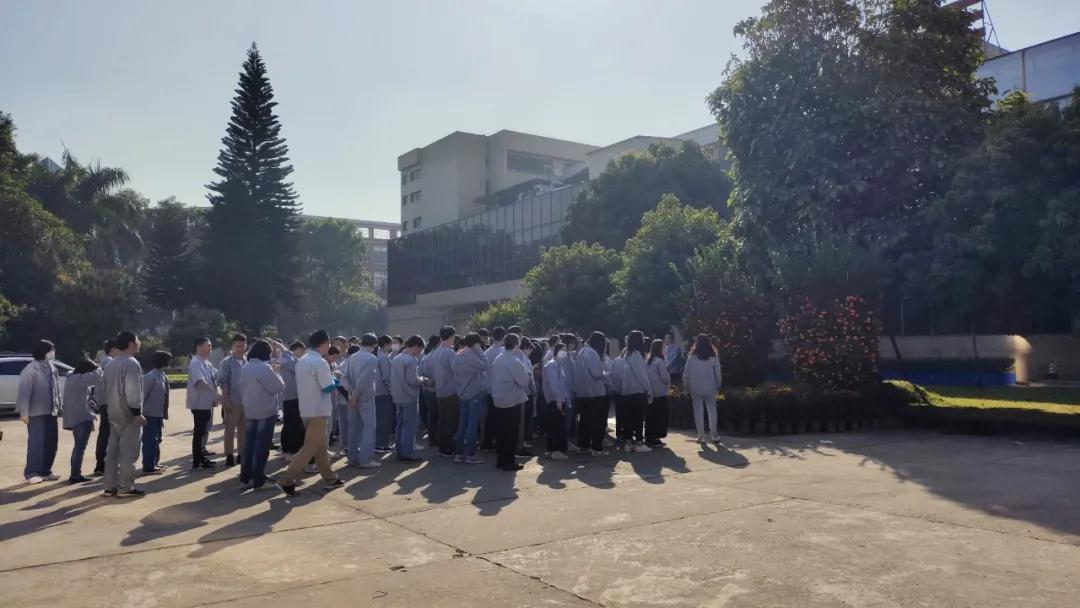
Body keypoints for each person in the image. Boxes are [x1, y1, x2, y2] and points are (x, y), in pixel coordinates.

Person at [277, 330, 344, 495]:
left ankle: (330, 478)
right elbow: (328, 387)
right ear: (324, 343)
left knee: (320, 447)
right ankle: (287, 479)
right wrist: (336, 377)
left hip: (306, 409)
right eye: (328, 343)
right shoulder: (319, 362)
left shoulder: (303, 360)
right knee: (311, 447)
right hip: (318, 410)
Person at [102, 331, 147, 497]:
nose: (139, 343)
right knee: (129, 453)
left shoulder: (111, 364)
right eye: (137, 341)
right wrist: (137, 413)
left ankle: (110, 486)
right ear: (130, 344)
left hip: (113, 412)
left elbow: (103, 389)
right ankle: (125, 487)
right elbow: (132, 390)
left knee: (112, 452)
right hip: (128, 414)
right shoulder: (131, 363)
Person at [239, 339, 285, 490]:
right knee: (261, 446)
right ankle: (259, 480)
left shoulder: (246, 366)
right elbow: (279, 387)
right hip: (264, 410)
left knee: (249, 445)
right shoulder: (263, 368)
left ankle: (246, 478)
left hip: (250, 409)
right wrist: (277, 373)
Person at [18, 340, 62, 484]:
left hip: (51, 411)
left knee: (51, 443)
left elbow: (57, 390)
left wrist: (59, 406)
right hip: (35, 413)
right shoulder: (30, 370)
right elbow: (24, 393)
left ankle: (45, 471)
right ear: (43, 352)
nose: (53, 353)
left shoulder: (52, 367)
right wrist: (24, 412)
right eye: (51, 350)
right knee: (36, 444)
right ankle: (31, 472)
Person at [490, 334, 529, 471]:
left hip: (498, 399)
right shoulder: (514, 360)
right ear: (517, 345)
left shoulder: (499, 358)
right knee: (511, 433)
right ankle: (509, 461)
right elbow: (524, 381)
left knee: (501, 432)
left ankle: (501, 460)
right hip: (511, 400)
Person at [340, 334, 380, 468]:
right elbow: (364, 380)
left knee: (353, 428)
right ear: (373, 345)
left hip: (352, 397)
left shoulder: (351, 357)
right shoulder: (371, 358)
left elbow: (344, 377)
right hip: (365, 398)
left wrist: (351, 393)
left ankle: (352, 458)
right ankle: (366, 460)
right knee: (369, 427)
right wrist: (356, 395)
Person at [452, 333, 490, 464]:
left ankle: (459, 454)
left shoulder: (458, 355)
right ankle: (471, 455)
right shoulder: (471, 356)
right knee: (472, 426)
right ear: (476, 343)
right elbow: (486, 365)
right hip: (474, 394)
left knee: (462, 425)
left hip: (462, 393)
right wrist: (479, 350)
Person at [62, 360, 101, 483]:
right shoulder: (80, 379)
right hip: (81, 418)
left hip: (76, 418)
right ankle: (75, 475)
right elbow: (98, 376)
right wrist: (99, 367)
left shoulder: (71, 378)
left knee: (78, 447)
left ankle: (75, 474)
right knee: (79, 448)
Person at [574, 331, 610, 456]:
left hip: (582, 393)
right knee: (598, 422)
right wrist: (606, 373)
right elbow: (597, 373)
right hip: (595, 393)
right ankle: (597, 447)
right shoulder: (593, 353)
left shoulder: (582, 351)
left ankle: (583, 446)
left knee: (585, 422)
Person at [683, 334, 723, 443]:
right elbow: (718, 375)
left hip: (695, 388)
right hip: (710, 388)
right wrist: (718, 386)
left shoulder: (691, 358)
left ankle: (701, 436)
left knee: (698, 412)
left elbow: (685, 374)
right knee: (712, 411)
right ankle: (713, 435)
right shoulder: (713, 358)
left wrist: (686, 387)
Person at [217, 333, 248, 468]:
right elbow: (222, 381)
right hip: (232, 401)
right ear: (233, 346)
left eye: (242, 345)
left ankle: (241, 454)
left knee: (243, 429)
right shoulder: (227, 362)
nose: (240, 348)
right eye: (237, 346)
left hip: (246, 401)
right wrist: (225, 399)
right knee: (230, 429)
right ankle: (229, 455)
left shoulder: (248, 361)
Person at [391, 335, 424, 462]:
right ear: (415, 346)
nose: (420, 352)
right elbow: (412, 380)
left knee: (400, 424)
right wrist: (421, 380)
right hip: (409, 395)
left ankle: (400, 450)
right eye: (420, 349)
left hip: (398, 395)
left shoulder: (397, 358)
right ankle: (407, 452)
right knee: (409, 425)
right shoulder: (411, 360)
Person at [187, 337, 218, 469]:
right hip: (199, 403)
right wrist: (216, 394)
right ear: (199, 347)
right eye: (208, 346)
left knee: (202, 431)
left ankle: (200, 458)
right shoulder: (195, 363)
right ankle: (197, 460)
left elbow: (217, 376)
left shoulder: (206, 362)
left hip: (206, 403)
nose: (210, 348)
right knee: (199, 432)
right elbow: (200, 382)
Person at [430, 325, 460, 457]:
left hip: (440, 391)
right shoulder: (449, 352)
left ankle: (443, 448)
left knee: (442, 421)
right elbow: (457, 370)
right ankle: (448, 448)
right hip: (451, 391)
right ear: (452, 336)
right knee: (450, 422)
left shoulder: (437, 351)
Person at [141, 350, 172, 474]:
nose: (170, 362)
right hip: (149, 414)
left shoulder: (162, 375)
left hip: (158, 414)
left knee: (157, 439)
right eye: (168, 359)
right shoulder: (150, 377)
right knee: (150, 440)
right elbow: (142, 397)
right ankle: (148, 466)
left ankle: (155, 462)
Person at [622, 331, 653, 453]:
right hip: (637, 391)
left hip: (628, 392)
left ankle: (628, 443)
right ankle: (639, 443)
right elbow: (641, 374)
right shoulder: (636, 355)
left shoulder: (627, 354)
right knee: (638, 419)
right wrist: (648, 389)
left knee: (629, 419)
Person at [93, 339, 119, 475]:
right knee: (108, 433)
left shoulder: (103, 362)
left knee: (105, 433)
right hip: (109, 402)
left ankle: (101, 464)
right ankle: (102, 464)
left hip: (104, 402)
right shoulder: (109, 362)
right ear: (113, 349)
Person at [276, 340, 306, 460]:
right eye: (302, 350)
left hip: (286, 398)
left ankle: (286, 450)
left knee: (288, 424)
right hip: (293, 397)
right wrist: (284, 350)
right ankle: (292, 451)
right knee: (295, 425)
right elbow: (294, 363)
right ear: (297, 349)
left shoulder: (283, 361)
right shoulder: (290, 361)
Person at [479, 326, 506, 452]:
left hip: (489, 389)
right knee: (502, 418)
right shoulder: (504, 352)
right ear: (504, 337)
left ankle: (487, 443)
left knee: (490, 417)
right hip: (502, 389)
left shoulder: (487, 352)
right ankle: (499, 442)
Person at [542, 342, 570, 460]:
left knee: (556, 426)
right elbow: (553, 384)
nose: (565, 352)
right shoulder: (552, 365)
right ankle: (555, 451)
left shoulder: (559, 364)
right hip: (554, 400)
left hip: (558, 399)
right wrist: (558, 399)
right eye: (563, 350)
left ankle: (552, 450)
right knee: (556, 427)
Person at [645, 339, 671, 447]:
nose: (665, 349)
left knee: (651, 416)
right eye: (663, 347)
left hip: (650, 392)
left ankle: (649, 437)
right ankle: (656, 438)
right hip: (660, 392)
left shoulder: (648, 360)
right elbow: (665, 377)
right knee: (660, 417)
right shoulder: (659, 361)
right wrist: (668, 384)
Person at [374, 335, 396, 453]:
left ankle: (382, 444)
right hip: (384, 393)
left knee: (381, 420)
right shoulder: (383, 357)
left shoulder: (379, 355)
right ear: (386, 344)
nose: (391, 346)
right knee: (384, 420)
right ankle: (381, 445)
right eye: (390, 344)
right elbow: (387, 377)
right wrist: (392, 392)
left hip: (378, 392)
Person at [418, 335, 440, 446]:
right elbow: (439, 375)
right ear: (438, 343)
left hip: (426, 389)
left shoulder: (425, 357)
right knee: (438, 415)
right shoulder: (437, 357)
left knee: (431, 414)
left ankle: (432, 437)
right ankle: (436, 437)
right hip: (436, 389)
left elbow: (420, 374)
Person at [609, 344, 626, 450]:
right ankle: (626, 434)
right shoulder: (628, 361)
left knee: (619, 414)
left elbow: (612, 374)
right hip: (626, 392)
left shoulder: (615, 360)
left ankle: (619, 434)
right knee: (627, 414)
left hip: (616, 391)